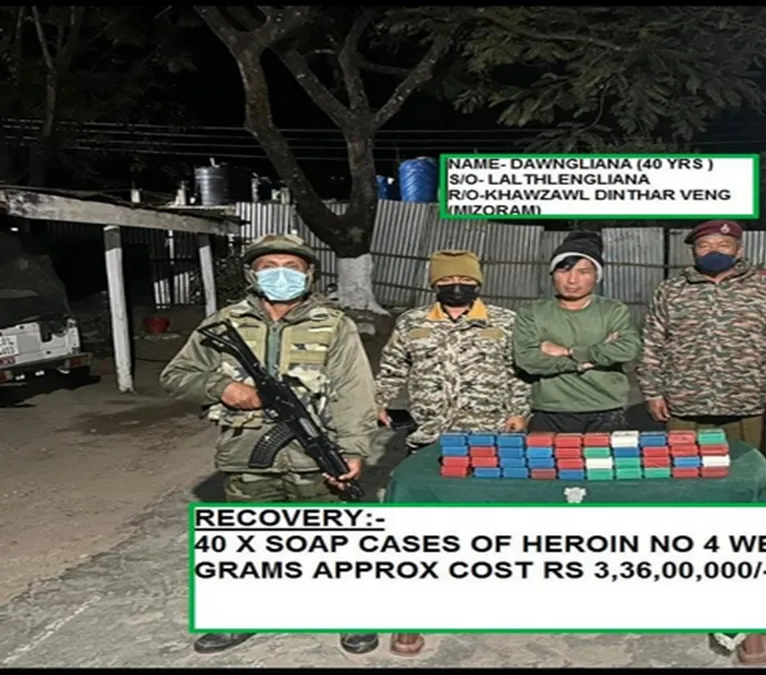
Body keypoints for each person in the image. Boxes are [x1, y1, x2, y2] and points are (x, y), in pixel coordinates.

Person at [159, 233, 379, 656]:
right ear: (252, 274)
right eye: (269, 266)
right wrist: (223, 388)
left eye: (292, 267)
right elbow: (176, 375)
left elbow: (353, 391)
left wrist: (353, 448)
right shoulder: (223, 323)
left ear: (310, 274)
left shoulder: (334, 324)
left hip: (315, 455)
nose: (281, 274)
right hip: (247, 454)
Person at [638, 219, 766, 464]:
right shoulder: (671, 290)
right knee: (685, 473)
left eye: (723, 245)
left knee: (747, 472)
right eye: (704, 246)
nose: (714, 251)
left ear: (739, 250)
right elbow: (652, 343)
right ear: (693, 252)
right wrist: (653, 392)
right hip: (684, 403)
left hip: (748, 403)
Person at [374, 249, 531, 453]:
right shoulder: (412, 321)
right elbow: (392, 368)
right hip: (428, 430)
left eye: (465, 279)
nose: (456, 285)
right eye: (447, 279)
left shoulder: (505, 321)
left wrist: (519, 412)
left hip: (488, 430)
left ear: (477, 283)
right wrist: (378, 402)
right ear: (435, 285)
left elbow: (518, 372)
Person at [513, 231, 642, 433]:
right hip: (550, 410)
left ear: (596, 277)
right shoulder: (532, 312)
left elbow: (628, 349)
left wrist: (570, 351)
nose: (572, 280)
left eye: (583, 272)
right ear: (552, 274)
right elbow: (527, 359)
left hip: (606, 409)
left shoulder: (612, 310)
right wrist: (585, 362)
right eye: (564, 271)